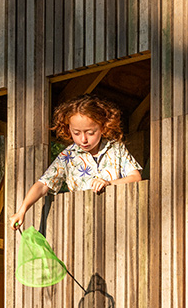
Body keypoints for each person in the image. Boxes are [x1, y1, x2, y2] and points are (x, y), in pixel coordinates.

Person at [9, 95, 142, 229]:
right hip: (82, 225)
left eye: (90, 132)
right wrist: (22, 210)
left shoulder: (115, 149)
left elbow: (135, 177)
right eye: (76, 133)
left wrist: (109, 183)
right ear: (68, 129)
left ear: (103, 127)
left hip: (119, 222)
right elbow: (43, 185)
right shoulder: (67, 157)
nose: (83, 139)